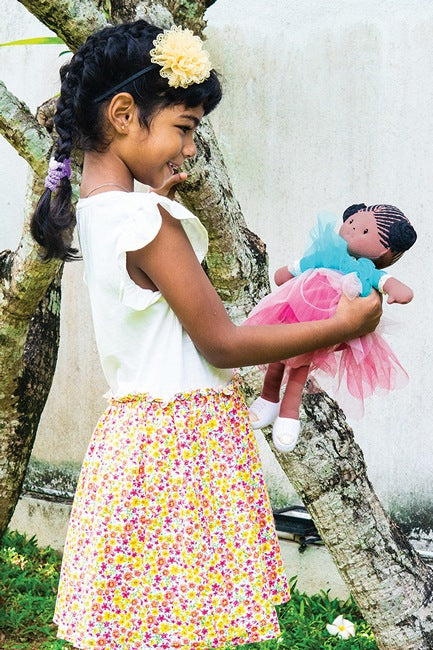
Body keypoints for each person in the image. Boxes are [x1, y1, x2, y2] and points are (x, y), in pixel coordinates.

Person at [30, 20, 382, 650]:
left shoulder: (97, 211)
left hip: (136, 443)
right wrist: (340, 324)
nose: (190, 149)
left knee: (146, 626)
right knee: (189, 629)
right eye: (184, 129)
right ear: (123, 114)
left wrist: (156, 201)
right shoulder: (149, 221)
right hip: (184, 448)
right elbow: (221, 344)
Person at [245, 205, 416, 453]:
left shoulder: (365, 270)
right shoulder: (328, 252)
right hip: (292, 308)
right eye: (353, 223)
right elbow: (297, 268)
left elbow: (387, 282)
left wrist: (398, 291)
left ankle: (289, 413)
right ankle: (268, 398)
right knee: (276, 355)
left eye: (365, 230)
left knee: (300, 364)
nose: (353, 230)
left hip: (324, 324)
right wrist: (287, 272)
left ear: (386, 250)